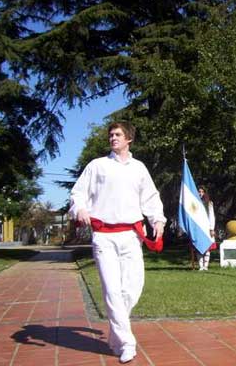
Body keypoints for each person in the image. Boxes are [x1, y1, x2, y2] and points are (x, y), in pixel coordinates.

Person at [69, 121, 166, 364]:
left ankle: (115, 333)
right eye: (111, 135)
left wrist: (158, 221)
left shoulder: (139, 168)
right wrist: (79, 207)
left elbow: (151, 197)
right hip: (103, 237)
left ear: (128, 139)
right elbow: (78, 192)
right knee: (112, 290)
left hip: (132, 236)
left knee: (132, 288)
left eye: (118, 134)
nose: (113, 138)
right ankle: (127, 342)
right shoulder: (98, 166)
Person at [197, 186, 216, 270]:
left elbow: (212, 216)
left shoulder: (209, 203)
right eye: (199, 191)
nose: (200, 193)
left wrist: (212, 228)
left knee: (207, 247)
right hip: (198, 228)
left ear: (204, 193)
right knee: (199, 247)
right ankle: (200, 266)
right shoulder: (195, 203)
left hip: (207, 228)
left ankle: (206, 266)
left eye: (201, 192)